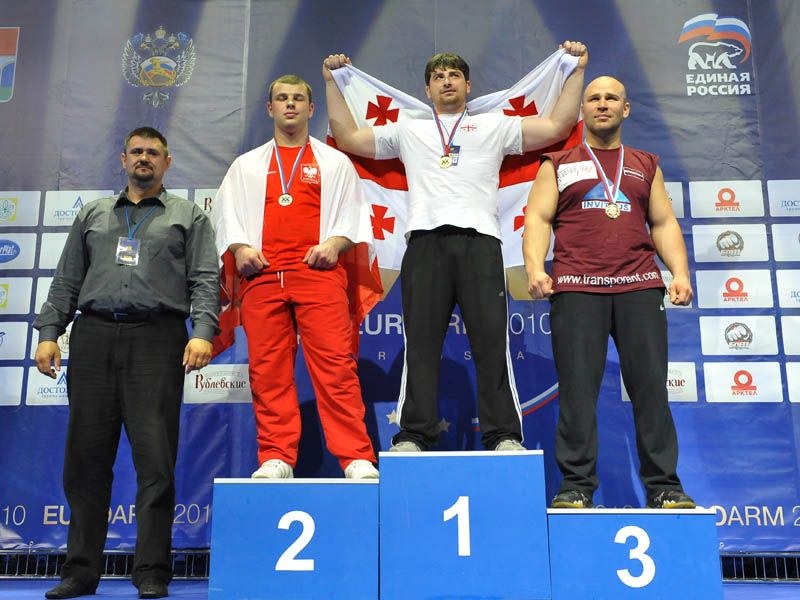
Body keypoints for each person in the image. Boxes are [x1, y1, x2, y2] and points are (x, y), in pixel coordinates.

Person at [323, 44, 588, 452]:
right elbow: (348, 137)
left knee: (491, 344)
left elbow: (556, 125)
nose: (446, 82)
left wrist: (576, 70)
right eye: (438, 77)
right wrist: (331, 82)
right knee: (421, 345)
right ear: (427, 90)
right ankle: (413, 434)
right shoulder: (408, 129)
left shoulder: (494, 125)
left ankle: (503, 435)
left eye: (454, 76)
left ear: (468, 85)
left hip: (481, 243)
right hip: (424, 243)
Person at [33, 126, 220, 599]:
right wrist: (50, 334)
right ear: (123, 159)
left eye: (153, 152)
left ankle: (152, 571)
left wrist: (202, 332)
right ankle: (79, 571)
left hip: (157, 340)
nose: (144, 158)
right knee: (85, 460)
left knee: (156, 462)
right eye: (136, 151)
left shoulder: (188, 216)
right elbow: (66, 280)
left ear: (167, 162)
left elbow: (204, 281)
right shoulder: (94, 214)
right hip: (93, 338)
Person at [522, 76, 696, 509]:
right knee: (578, 393)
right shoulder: (558, 163)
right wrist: (535, 268)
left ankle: (665, 487)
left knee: (651, 391)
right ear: (582, 110)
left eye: (611, 98)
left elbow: (663, 223)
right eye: (594, 98)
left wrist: (679, 272)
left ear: (625, 108)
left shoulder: (645, 163)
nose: (602, 104)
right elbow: (538, 219)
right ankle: (576, 486)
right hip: (577, 288)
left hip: (639, 286)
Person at [211, 74, 380, 480]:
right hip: (263, 277)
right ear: (269, 108)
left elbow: (354, 217)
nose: (290, 104)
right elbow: (226, 217)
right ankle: (277, 457)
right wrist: (241, 248)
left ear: (310, 108)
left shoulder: (334, 162)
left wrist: (334, 244)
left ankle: (356, 457)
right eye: (282, 98)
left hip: (318, 275)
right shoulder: (245, 166)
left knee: (336, 367)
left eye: (298, 98)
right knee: (267, 370)